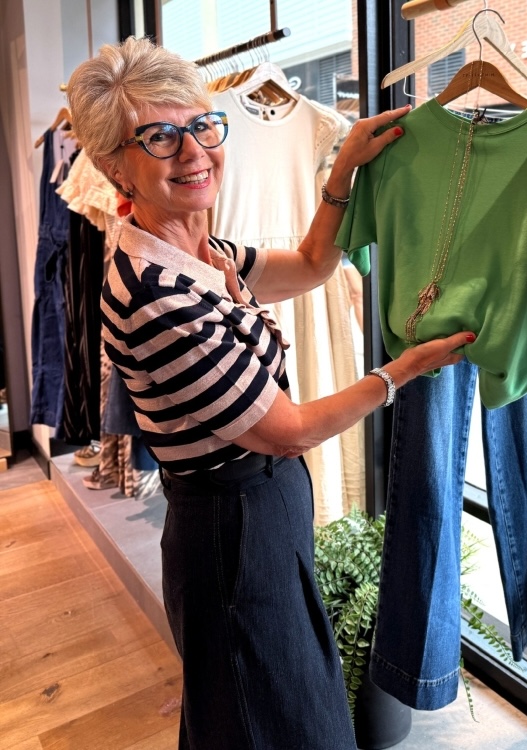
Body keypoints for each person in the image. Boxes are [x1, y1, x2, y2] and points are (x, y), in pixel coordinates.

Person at [66, 36, 473, 750]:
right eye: (159, 137)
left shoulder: (206, 253)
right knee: (281, 722)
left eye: (201, 125)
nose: (193, 152)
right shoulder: (154, 292)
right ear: (113, 166)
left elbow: (313, 264)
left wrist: (342, 168)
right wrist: (399, 373)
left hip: (260, 519)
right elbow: (288, 430)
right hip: (231, 536)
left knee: (264, 714)